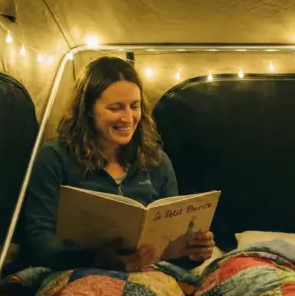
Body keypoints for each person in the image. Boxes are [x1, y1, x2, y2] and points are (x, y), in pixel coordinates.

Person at [17, 56, 215, 272]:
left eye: (134, 106)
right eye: (116, 108)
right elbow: (37, 241)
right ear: (88, 110)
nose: (128, 118)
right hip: (78, 275)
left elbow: (168, 252)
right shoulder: (55, 158)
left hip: (148, 278)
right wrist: (95, 261)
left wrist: (192, 252)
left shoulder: (157, 162)